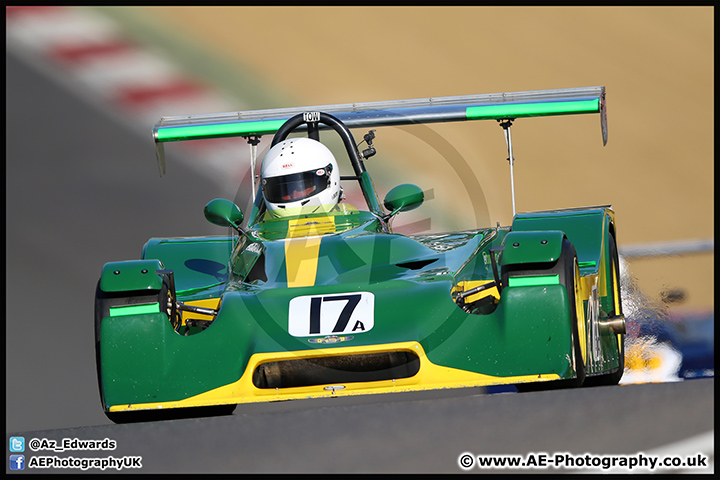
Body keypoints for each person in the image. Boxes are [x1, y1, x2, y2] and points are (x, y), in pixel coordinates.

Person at [260, 137, 343, 219]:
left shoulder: (350, 226)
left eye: (304, 186)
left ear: (329, 180)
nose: (294, 195)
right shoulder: (260, 231)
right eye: (285, 191)